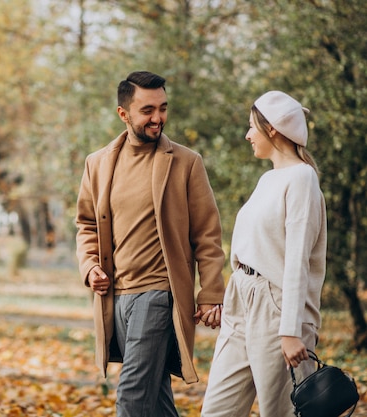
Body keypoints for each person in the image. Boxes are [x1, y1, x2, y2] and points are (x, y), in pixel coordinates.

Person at [75, 70, 226, 417]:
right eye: (147, 110)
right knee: (155, 398)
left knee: (132, 397)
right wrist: (90, 266)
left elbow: (207, 234)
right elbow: (85, 224)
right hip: (116, 297)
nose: (157, 118)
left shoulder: (186, 163)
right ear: (123, 113)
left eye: (162, 108)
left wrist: (211, 292)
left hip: (159, 294)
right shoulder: (98, 164)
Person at [201, 91, 327, 417]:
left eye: (251, 127)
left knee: (282, 412)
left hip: (277, 307)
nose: (247, 135)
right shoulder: (267, 178)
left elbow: (298, 258)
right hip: (242, 301)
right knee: (217, 410)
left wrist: (290, 331)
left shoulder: (302, 178)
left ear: (271, 129)